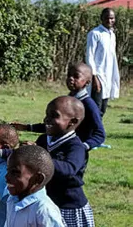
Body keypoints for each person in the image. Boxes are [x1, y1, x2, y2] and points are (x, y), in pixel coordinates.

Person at [13, 63, 105, 151]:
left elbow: (100, 134)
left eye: (76, 76)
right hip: (58, 146)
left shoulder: (89, 105)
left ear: (87, 82)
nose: (71, 79)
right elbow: (56, 125)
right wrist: (27, 127)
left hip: (70, 152)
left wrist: (83, 147)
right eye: (69, 75)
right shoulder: (67, 101)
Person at [35, 96, 94, 227]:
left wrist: (40, 156)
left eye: (54, 115)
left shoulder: (76, 147)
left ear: (72, 121)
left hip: (68, 206)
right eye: (46, 114)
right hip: (45, 202)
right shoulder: (43, 140)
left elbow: (69, 169)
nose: (46, 119)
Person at [4, 145, 65, 227]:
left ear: (37, 179)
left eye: (15, 172)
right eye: (8, 170)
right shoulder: (12, 200)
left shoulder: (44, 210)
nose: (7, 177)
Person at [85, 8, 119, 117]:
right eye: (107, 18)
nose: (109, 21)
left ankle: (94, 132)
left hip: (108, 76)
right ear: (101, 19)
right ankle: (91, 132)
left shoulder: (112, 35)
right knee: (96, 107)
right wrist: (94, 77)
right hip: (98, 76)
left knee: (103, 109)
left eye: (112, 18)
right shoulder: (95, 33)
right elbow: (89, 56)